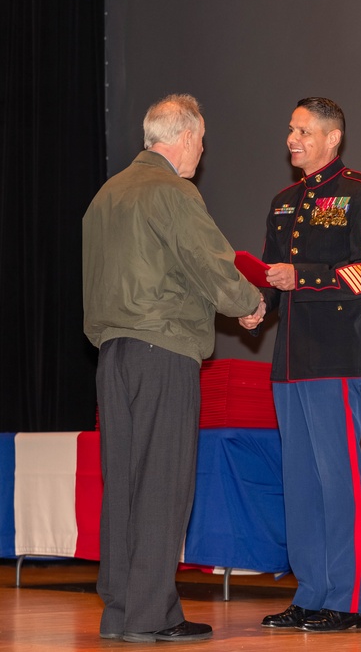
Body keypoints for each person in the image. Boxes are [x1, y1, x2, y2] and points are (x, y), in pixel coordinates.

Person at [82, 93, 263, 643]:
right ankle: (150, 616)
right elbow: (211, 263)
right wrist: (249, 303)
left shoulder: (105, 196)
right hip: (163, 351)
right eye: (202, 140)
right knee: (162, 483)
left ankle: (120, 613)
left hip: (112, 354)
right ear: (181, 137)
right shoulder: (173, 192)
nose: (202, 152)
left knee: (124, 485)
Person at [244, 97, 361, 633]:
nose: (292, 139)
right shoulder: (284, 201)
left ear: (333, 138)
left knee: (339, 480)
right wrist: (260, 306)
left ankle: (348, 600)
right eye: (290, 129)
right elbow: (270, 277)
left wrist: (301, 277)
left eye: (303, 131)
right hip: (288, 364)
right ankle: (310, 593)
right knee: (300, 482)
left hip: (333, 359)